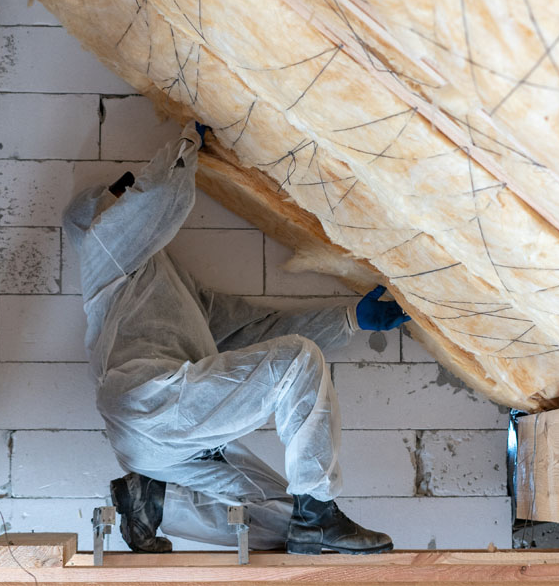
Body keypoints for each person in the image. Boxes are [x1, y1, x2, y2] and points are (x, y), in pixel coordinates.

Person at [63, 122, 410, 555]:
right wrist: (187, 142)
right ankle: (320, 509)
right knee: (299, 363)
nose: (126, 200)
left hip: (165, 438)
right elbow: (158, 198)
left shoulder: (168, 282)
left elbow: (252, 331)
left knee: (285, 521)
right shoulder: (103, 247)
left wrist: (348, 319)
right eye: (118, 199)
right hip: (151, 405)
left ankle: (154, 502)